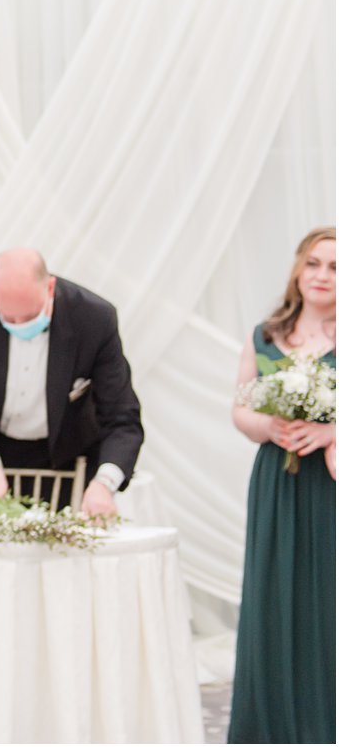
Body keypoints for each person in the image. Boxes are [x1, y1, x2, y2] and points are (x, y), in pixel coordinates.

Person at [228, 226, 335, 743]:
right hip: (277, 482)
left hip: (330, 485)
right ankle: (271, 730)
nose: (322, 275)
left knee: (325, 602)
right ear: (298, 268)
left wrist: (330, 429)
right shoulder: (265, 335)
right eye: (314, 263)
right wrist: (271, 426)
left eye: (335, 268)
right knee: (275, 598)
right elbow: (241, 408)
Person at [0, 248, 143, 516]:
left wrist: (104, 484)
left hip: (63, 458)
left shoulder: (94, 318)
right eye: (8, 317)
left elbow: (122, 418)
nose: (18, 324)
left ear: (50, 287)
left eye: (28, 317)